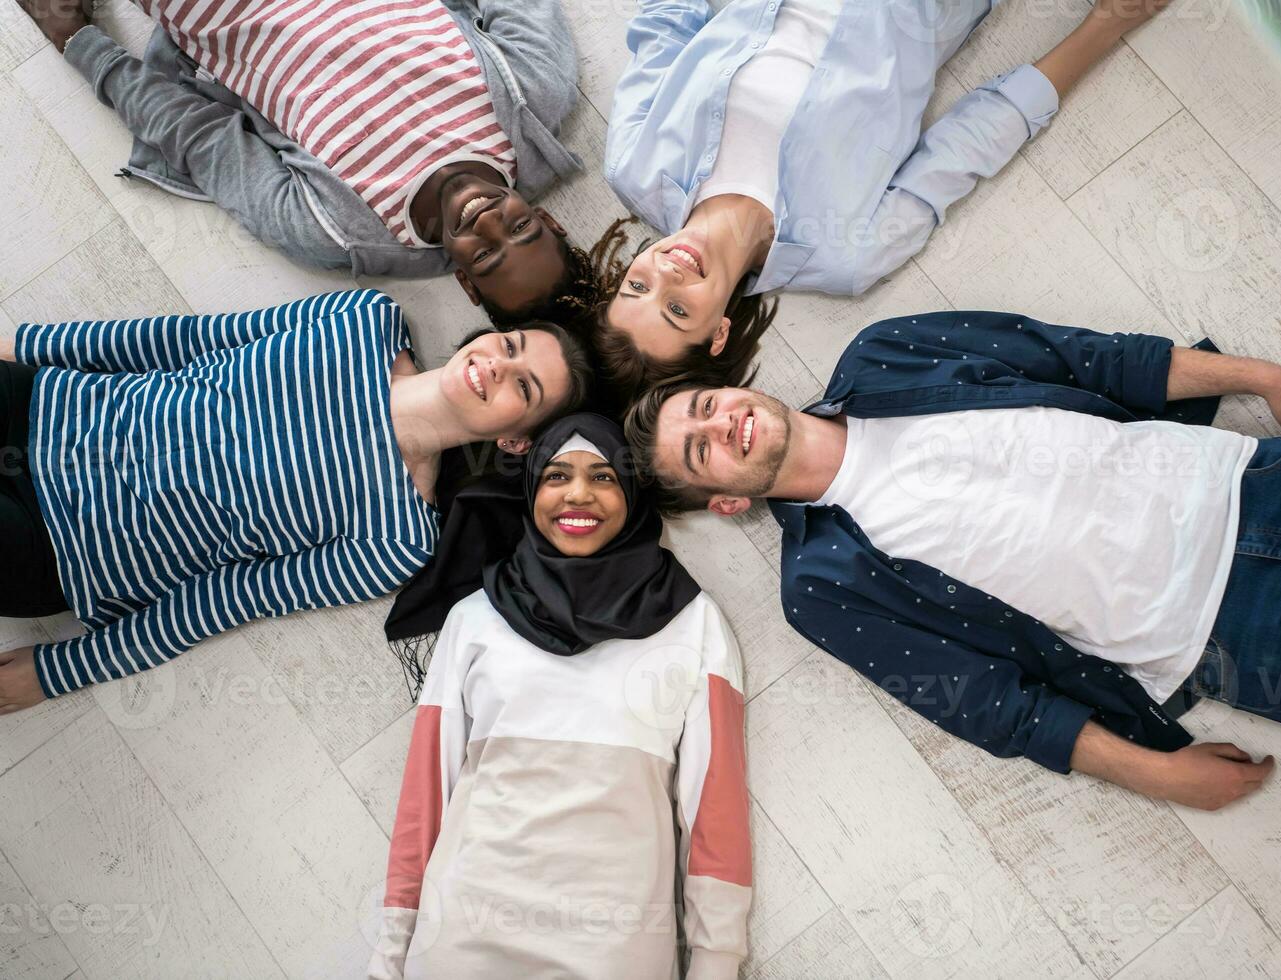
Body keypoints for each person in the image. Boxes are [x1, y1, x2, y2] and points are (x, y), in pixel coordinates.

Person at [624, 309, 1281, 811]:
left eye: (705, 406)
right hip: (1237, 636)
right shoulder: (820, 586)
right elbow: (992, 705)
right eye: (701, 452)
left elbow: (1089, 358)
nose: (721, 425)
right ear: (727, 502)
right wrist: (1157, 776)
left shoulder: (888, 354)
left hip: (1270, 484)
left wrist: (1265, 377)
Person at [0, 288, 593, 714]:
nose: (496, 363)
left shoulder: (397, 538)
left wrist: (58, 672)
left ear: (516, 440)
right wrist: (25, 344)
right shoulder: (365, 318)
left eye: (523, 385)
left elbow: (229, 598)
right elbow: (185, 340)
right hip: (41, 402)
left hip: (60, 545)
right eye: (511, 344)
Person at [590, 0, 1172, 398]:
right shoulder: (845, 255)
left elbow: (664, 22)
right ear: (717, 332)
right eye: (678, 310)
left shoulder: (636, 164)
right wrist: (1109, 22)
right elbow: (972, 142)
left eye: (637, 286)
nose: (667, 273)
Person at [371, 414, 751, 980]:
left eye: (603, 477)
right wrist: (391, 950)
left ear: (634, 493)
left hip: (616, 949)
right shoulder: (475, 619)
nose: (578, 494)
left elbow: (714, 809)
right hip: (463, 936)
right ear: (530, 492)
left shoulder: (693, 624)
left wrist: (716, 961)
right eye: (555, 476)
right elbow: (426, 793)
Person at [16, 0, 593, 324]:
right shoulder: (533, 95)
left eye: (487, 254)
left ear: (465, 281)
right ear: (551, 220)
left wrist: (75, 40)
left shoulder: (339, 231)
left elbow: (202, 139)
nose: (486, 219)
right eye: (520, 227)